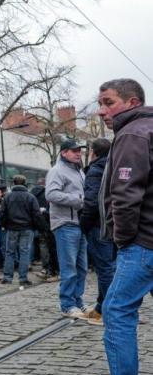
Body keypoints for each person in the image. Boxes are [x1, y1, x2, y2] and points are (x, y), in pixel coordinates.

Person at [97, 78, 153, 375]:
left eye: (108, 102)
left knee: (116, 311)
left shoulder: (132, 133)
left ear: (132, 103)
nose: (101, 110)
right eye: (100, 103)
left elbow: (126, 194)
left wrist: (123, 239)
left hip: (143, 242)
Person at [45, 138, 88, 319]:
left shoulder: (79, 172)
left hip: (80, 223)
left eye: (80, 150)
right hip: (65, 223)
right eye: (74, 150)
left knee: (82, 267)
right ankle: (67, 304)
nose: (79, 153)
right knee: (69, 267)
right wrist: (78, 200)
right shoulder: (57, 171)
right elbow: (51, 194)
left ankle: (78, 301)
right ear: (64, 153)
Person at [80, 138, 116, 326]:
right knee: (110, 268)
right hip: (113, 223)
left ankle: (108, 311)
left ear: (93, 152)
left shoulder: (95, 170)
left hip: (98, 225)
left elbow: (92, 202)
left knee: (105, 269)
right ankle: (101, 308)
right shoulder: (113, 166)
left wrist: (84, 223)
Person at [0, 175, 42, 285]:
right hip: (27, 228)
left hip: (12, 228)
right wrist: (37, 227)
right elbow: (36, 214)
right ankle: (23, 278)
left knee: (9, 252)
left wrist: (3, 225)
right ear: (25, 183)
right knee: (24, 252)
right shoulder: (30, 197)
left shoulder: (7, 197)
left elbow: (2, 214)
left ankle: (7, 277)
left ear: (13, 183)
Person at [31, 178, 59, 282]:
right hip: (52, 224)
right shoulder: (49, 195)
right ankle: (51, 270)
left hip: (41, 224)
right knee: (52, 248)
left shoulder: (32, 194)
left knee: (45, 246)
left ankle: (47, 269)